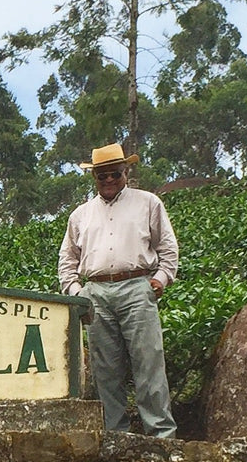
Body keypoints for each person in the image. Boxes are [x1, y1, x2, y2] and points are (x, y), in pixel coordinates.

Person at [57, 143, 179, 437]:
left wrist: (160, 279)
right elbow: (67, 258)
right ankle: (116, 437)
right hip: (95, 293)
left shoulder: (148, 203)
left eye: (115, 174)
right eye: (102, 176)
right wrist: (76, 293)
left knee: (148, 363)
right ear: (94, 177)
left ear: (126, 172)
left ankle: (161, 436)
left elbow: (168, 247)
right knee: (105, 372)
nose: (109, 180)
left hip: (137, 287)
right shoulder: (80, 215)